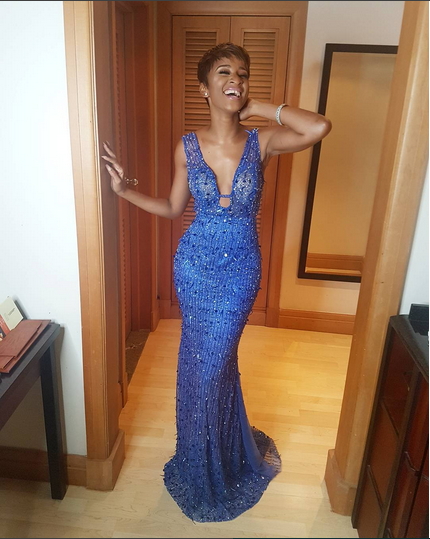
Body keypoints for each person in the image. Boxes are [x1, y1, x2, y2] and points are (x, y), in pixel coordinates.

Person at [102, 42, 332, 523]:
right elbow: (172, 208)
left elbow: (317, 127)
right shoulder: (186, 147)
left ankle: (217, 460)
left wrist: (258, 105)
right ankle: (207, 457)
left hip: (241, 270)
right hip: (193, 267)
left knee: (212, 367)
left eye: (242, 74)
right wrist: (123, 192)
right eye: (224, 73)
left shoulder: (262, 142)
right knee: (202, 367)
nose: (236, 80)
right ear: (204, 87)